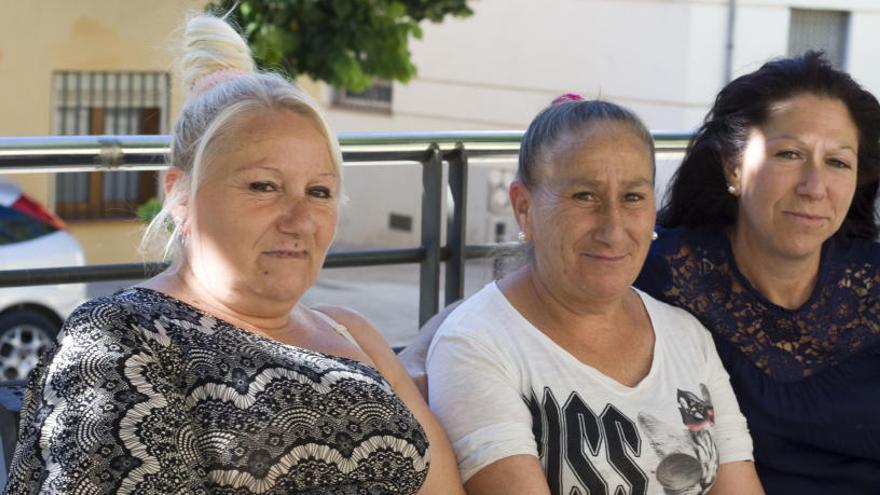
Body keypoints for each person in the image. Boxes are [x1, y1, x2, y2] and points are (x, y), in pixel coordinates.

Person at [5, 14, 463, 495]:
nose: (300, 218)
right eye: (263, 186)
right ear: (180, 197)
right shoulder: (122, 335)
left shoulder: (351, 331)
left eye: (320, 192)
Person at [424, 96, 764, 494]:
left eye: (633, 197)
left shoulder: (686, 336)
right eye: (584, 196)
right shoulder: (477, 346)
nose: (613, 229)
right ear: (523, 208)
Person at [635, 51, 880, 493]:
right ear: (732, 165)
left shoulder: (874, 280)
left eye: (838, 162)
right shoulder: (656, 278)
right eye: (789, 154)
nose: (814, 187)